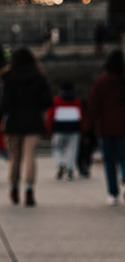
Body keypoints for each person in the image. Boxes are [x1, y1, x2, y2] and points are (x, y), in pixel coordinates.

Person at [0, 47, 53, 207]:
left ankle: (14, 187)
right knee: (30, 158)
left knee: (15, 158)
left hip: (13, 123)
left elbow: (4, 105)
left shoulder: (8, 78)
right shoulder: (39, 78)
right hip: (33, 122)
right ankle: (29, 190)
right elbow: (47, 101)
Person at [88, 50, 125, 205]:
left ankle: (113, 193)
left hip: (106, 127)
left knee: (109, 162)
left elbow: (94, 107)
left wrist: (89, 127)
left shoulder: (101, 83)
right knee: (124, 159)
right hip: (124, 127)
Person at [45, 84, 85, 182]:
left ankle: (61, 164)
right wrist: (82, 129)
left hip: (59, 129)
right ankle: (70, 169)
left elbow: (50, 115)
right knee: (72, 150)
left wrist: (49, 129)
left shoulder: (56, 101)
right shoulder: (77, 102)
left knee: (57, 148)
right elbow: (82, 116)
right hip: (74, 129)